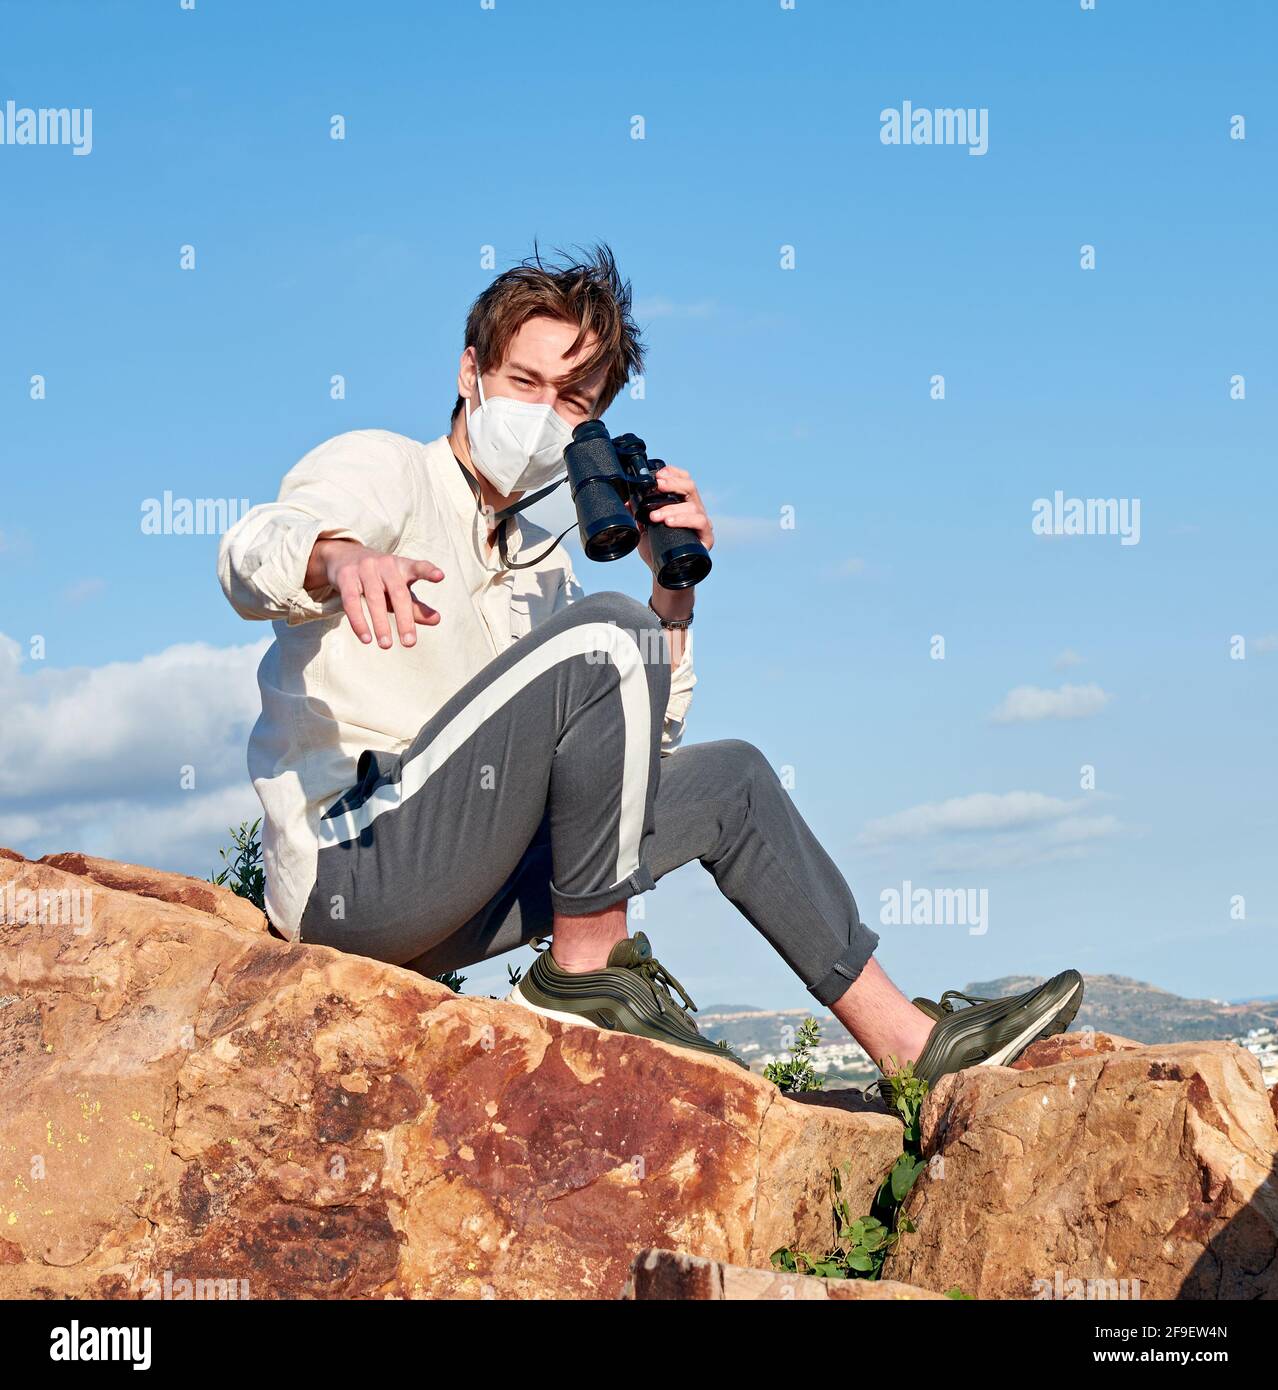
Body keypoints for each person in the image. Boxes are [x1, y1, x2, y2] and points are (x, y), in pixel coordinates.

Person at [217, 245, 1082, 1088]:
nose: (541, 412)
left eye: (571, 401)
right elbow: (249, 551)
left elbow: (632, 759)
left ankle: (910, 1047)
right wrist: (338, 560)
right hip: (359, 869)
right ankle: (586, 980)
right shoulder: (387, 467)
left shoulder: (543, 565)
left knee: (733, 777)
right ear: (468, 372)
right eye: (523, 383)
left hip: (465, 898)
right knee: (607, 633)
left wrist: (672, 596)